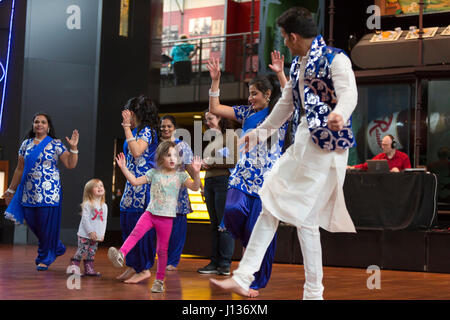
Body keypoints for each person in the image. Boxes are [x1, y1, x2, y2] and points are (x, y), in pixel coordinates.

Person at [210, 7, 358, 300]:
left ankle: (247, 276)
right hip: (304, 145)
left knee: (278, 205)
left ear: (292, 36)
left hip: (326, 150)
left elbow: (349, 92)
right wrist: (260, 132)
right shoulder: (297, 65)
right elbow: (286, 105)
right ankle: (310, 292)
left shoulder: (335, 58)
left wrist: (340, 112)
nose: (284, 44)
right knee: (297, 216)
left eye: (284, 39)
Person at [205, 52, 289, 297]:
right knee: (231, 211)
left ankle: (252, 283)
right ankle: (246, 246)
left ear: (268, 95)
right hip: (243, 175)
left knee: (258, 230)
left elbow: (290, 97)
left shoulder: (281, 115)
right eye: (249, 93)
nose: (250, 97)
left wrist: (281, 74)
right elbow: (215, 107)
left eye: (255, 93)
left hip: (267, 180)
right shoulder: (246, 113)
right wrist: (215, 81)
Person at [108, 141, 202, 293]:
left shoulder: (181, 176)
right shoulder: (153, 173)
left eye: (175, 155)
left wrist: (196, 173)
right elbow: (134, 181)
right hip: (150, 214)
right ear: (160, 158)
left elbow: (196, 187)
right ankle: (121, 254)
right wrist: (123, 167)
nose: (172, 158)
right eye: (168, 155)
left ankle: (159, 281)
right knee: (135, 234)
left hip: (166, 219)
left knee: (162, 250)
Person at [3, 112, 79, 271]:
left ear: (48, 126)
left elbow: (70, 164)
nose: (39, 124)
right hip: (28, 191)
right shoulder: (26, 144)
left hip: (49, 192)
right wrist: (10, 190)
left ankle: (45, 257)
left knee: (45, 224)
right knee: (31, 221)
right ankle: (55, 245)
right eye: (36, 121)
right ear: (33, 125)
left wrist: (73, 148)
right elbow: (19, 169)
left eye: (43, 122)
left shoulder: (56, 144)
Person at [117, 95, 159, 284]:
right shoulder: (136, 130)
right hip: (131, 183)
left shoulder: (147, 130)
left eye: (130, 112)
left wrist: (126, 128)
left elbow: (136, 151)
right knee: (127, 221)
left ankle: (144, 268)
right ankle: (133, 264)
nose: (127, 116)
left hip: (144, 185)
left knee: (139, 225)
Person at [197, 110, 238, 276]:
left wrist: (210, 162)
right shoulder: (213, 139)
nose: (208, 122)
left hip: (223, 182)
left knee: (223, 225)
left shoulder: (231, 136)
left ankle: (224, 264)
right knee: (214, 225)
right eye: (206, 120)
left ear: (221, 118)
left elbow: (233, 159)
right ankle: (214, 262)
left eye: (211, 119)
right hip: (210, 182)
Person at [160, 115, 194, 271]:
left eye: (169, 126)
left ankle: (173, 261)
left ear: (174, 128)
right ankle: (162, 258)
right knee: (161, 227)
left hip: (178, 191)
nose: (165, 129)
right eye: (163, 126)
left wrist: (196, 181)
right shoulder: (156, 145)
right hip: (160, 191)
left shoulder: (183, 146)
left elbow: (189, 166)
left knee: (177, 229)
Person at [68, 179, 107, 276]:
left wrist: (102, 234)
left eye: (101, 185)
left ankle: (89, 269)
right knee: (82, 250)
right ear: (89, 191)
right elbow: (85, 220)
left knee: (92, 251)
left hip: (96, 235)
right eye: (96, 186)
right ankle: (73, 267)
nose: (100, 187)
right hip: (85, 234)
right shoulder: (88, 204)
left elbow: (104, 221)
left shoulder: (104, 206)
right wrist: (90, 231)